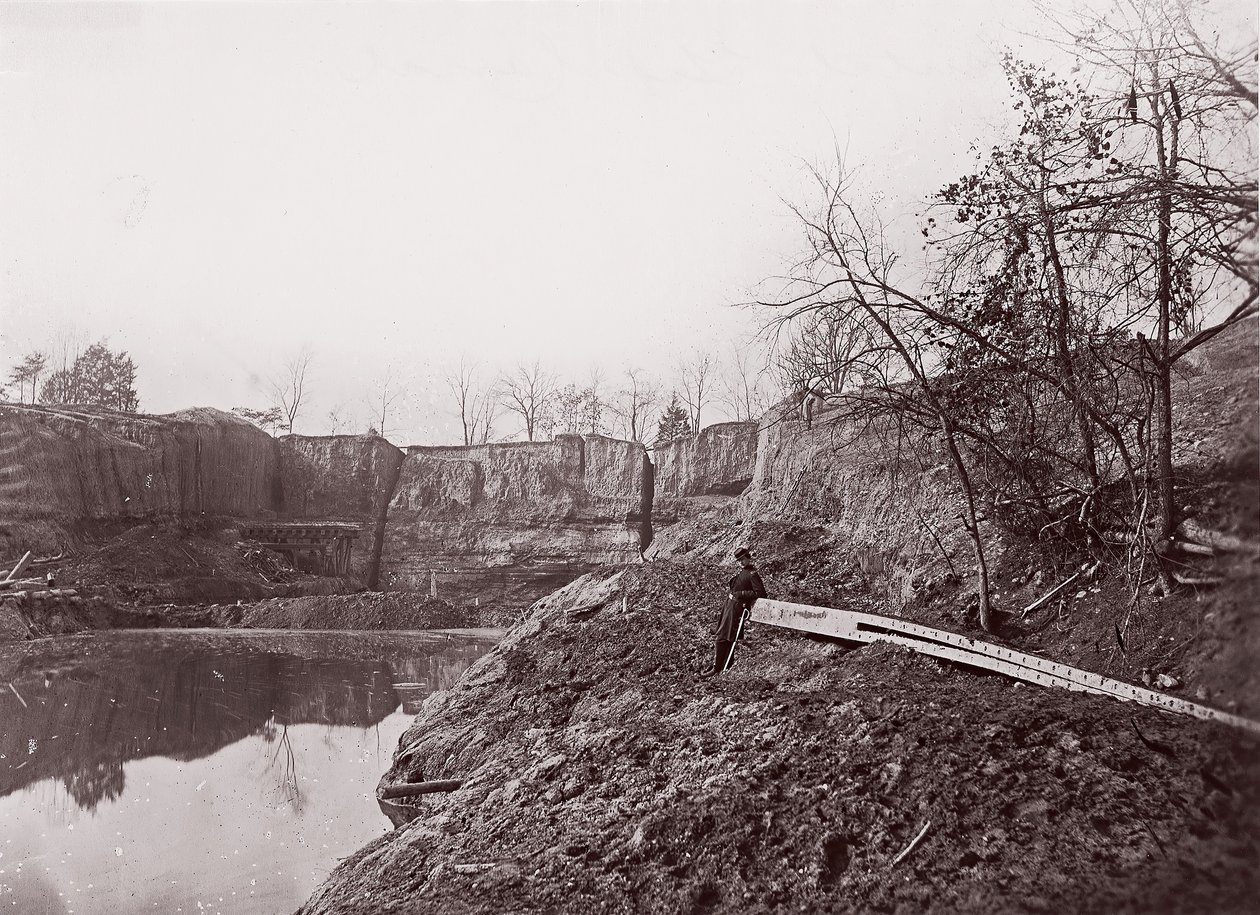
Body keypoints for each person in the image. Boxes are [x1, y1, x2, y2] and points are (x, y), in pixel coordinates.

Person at [701, 547, 767, 678]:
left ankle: (717, 668)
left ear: (749, 558)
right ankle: (724, 664)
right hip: (730, 606)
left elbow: (761, 593)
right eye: (739, 561)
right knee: (725, 635)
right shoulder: (744, 571)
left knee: (724, 638)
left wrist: (742, 594)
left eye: (743, 559)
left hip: (737, 609)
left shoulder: (752, 574)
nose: (741, 562)